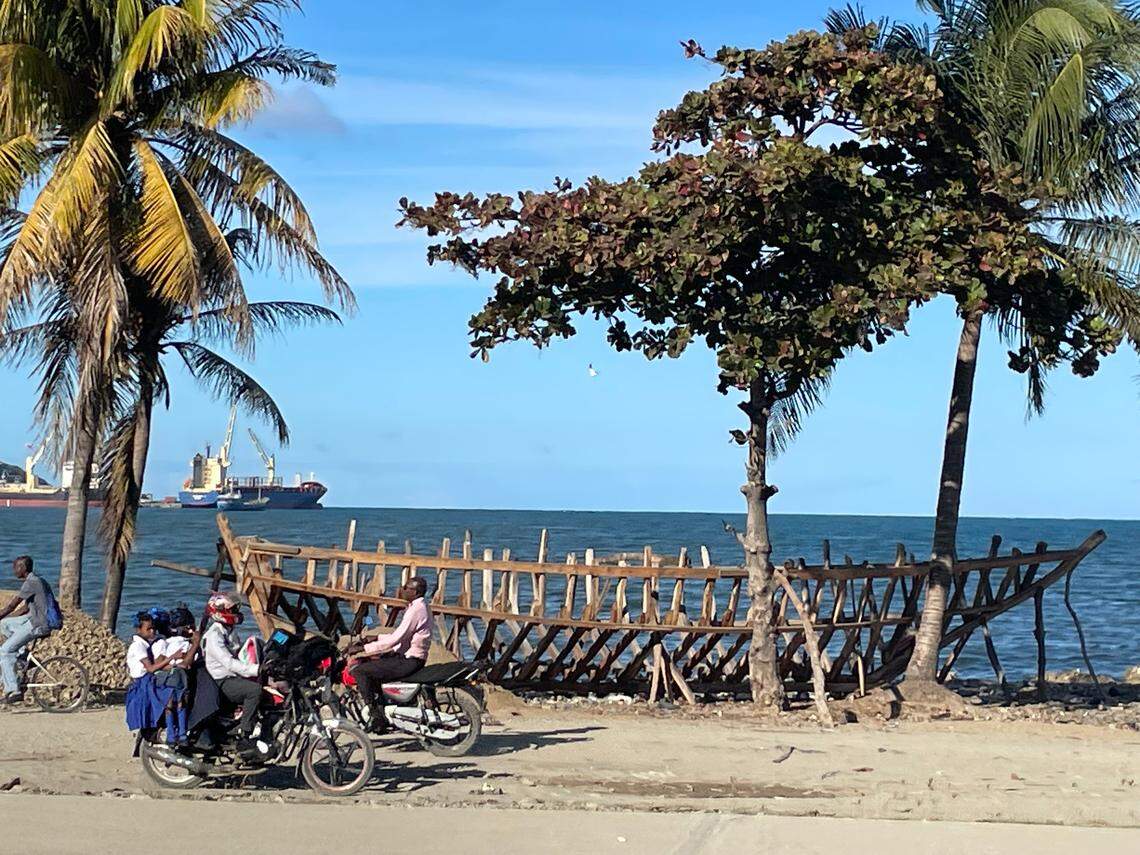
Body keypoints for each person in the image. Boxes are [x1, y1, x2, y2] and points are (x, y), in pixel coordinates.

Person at [347, 576, 431, 732]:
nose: (402, 590)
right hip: (407, 657)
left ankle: (376, 715)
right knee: (373, 663)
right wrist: (375, 638)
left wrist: (363, 649)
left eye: (406, 588)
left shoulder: (416, 610)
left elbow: (396, 638)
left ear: (416, 592)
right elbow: (401, 635)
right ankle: (383, 707)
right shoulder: (418, 606)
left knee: (360, 671)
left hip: (409, 660)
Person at [201, 592, 261, 746]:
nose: (236, 613)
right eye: (232, 610)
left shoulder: (228, 631)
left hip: (233, 676)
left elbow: (239, 652)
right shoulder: (214, 636)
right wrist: (256, 669)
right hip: (222, 681)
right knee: (254, 691)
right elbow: (229, 663)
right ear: (220, 612)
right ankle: (245, 732)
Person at [0, 556, 57, 703]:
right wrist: (5, 618)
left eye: (16, 567)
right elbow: (25, 608)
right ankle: (24, 657)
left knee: (5, 651)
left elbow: (12, 605)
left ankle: (14, 690)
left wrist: (2, 614)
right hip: (34, 619)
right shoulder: (38, 581)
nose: (14, 570)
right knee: (5, 625)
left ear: (23, 568)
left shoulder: (31, 583)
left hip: (39, 624)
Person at [153, 606, 200, 744]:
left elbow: (160, 663)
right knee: (180, 705)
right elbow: (188, 663)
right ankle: (182, 734)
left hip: (165, 679)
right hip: (179, 678)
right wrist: (195, 644)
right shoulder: (185, 644)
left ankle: (171, 736)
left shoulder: (164, 643)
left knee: (169, 706)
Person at [125, 612, 173, 732]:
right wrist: (171, 658)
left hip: (147, 679)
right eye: (148, 629)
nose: (152, 631)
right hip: (143, 682)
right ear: (139, 629)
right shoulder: (138, 646)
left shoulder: (146, 645)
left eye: (153, 628)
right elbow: (151, 668)